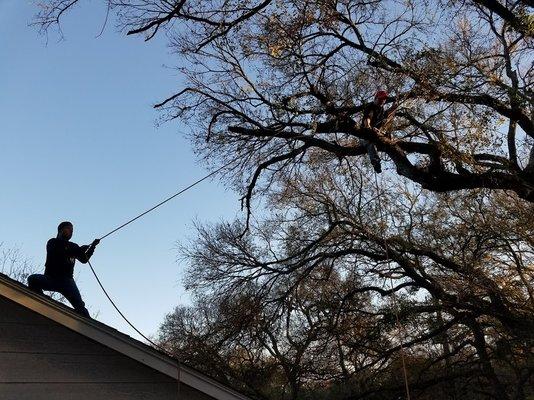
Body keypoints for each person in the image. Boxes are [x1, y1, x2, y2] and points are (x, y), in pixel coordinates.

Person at [28, 221, 100, 318]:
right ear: (61, 230)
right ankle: (40, 303)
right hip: (51, 278)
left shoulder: (74, 246)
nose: (71, 232)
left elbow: (84, 259)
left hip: (67, 281)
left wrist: (92, 247)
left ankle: (90, 326)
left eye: (72, 230)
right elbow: (58, 252)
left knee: (80, 307)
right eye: (69, 229)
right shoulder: (52, 242)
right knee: (32, 279)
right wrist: (78, 250)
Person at [360, 89, 397, 173]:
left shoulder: (381, 109)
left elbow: (386, 114)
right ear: (376, 98)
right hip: (364, 136)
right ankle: (375, 161)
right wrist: (369, 127)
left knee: (389, 139)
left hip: (377, 134)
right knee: (371, 143)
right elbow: (367, 118)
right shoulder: (371, 107)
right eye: (380, 99)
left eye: (383, 99)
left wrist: (394, 106)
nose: (382, 101)